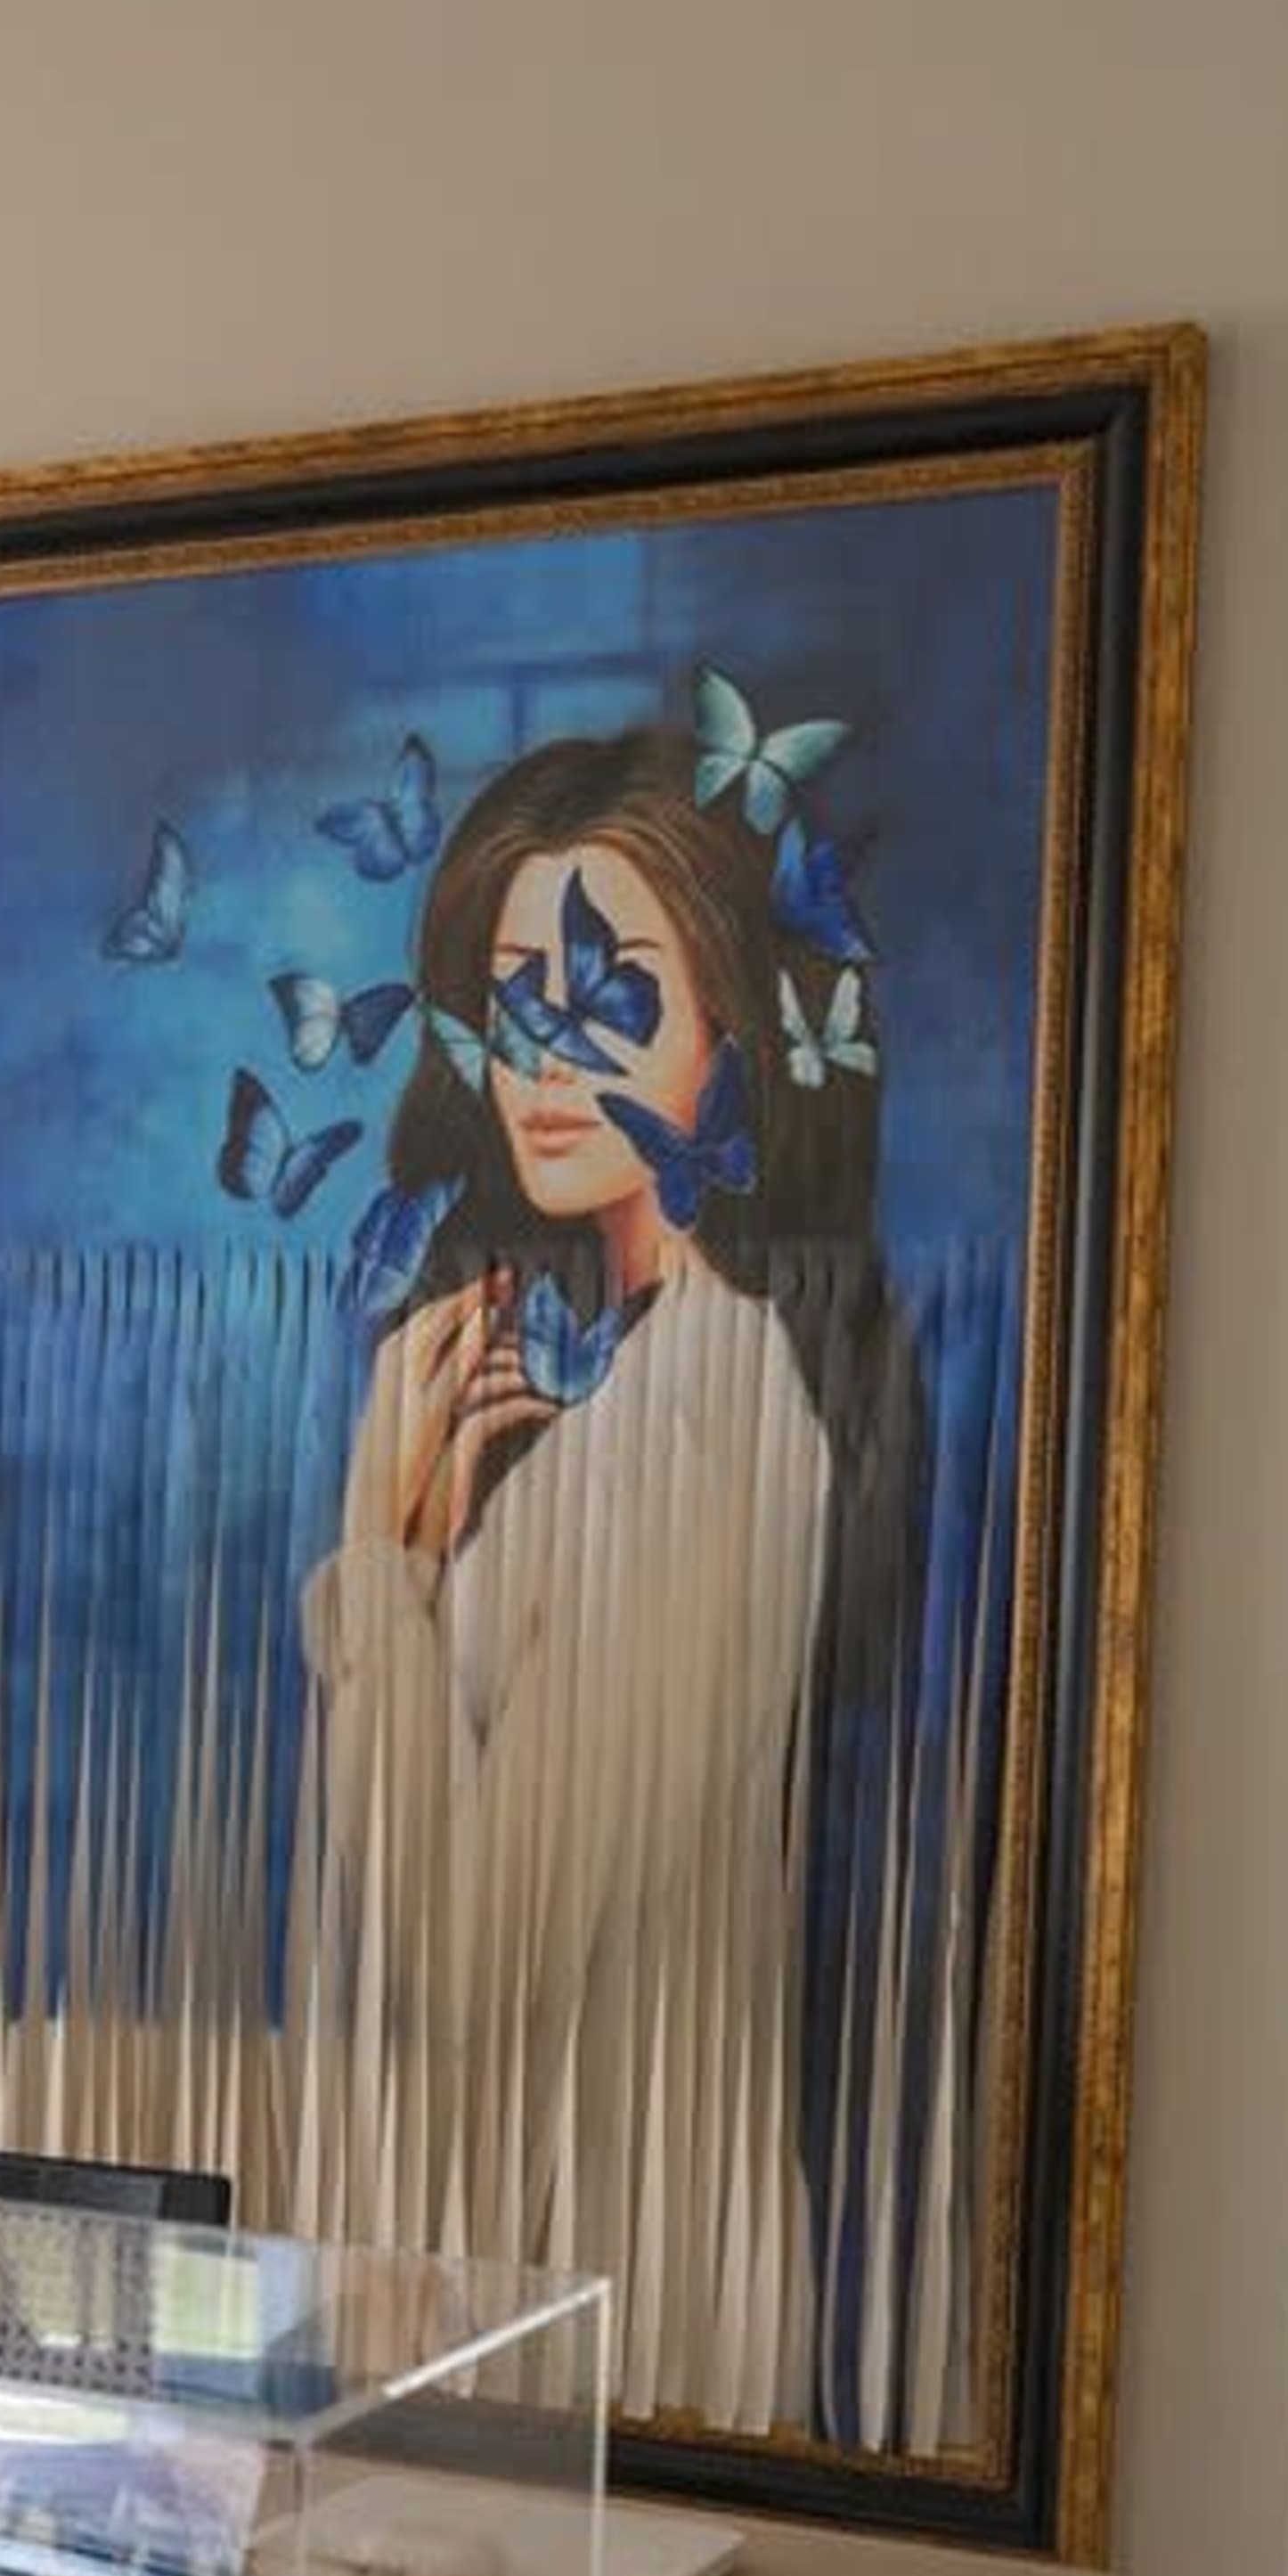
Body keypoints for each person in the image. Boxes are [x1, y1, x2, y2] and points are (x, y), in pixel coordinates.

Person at [284, 723, 918, 2437]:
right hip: (530, 2301)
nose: (546, 1054)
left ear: (734, 1027)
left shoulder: (708, 1422)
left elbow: (469, 1964)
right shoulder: (608, 1394)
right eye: (514, 997)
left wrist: (383, 1566)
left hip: (618, 2348)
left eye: (613, 988)